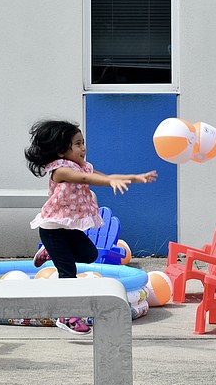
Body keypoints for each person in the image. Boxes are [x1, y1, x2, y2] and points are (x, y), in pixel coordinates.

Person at [24, 119, 157, 335]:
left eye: (83, 142)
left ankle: (49, 252)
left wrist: (134, 178)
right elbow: (85, 178)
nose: (83, 148)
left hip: (68, 229)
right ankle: (67, 316)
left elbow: (103, 176)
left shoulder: (83, 166)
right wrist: (109, 182)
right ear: (61, 151)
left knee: (90, 254)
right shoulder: (60, 170)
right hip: (52, 230)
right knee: (68, 272)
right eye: (77, 144)